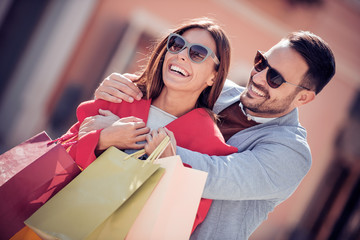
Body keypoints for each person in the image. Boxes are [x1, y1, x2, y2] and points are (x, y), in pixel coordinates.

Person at [92, 30, 336, 239]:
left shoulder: (292, 154)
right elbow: (155, 89)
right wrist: (116, 87)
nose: (258, 77)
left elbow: (215, 175)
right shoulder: (218, 89)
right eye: (262, 62)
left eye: (275, 79)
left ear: (304, 97)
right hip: (122, 223)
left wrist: (130, 132)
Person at [57, 18, 238, 233]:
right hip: (58, 222)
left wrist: (168, 166)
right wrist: (104, 139)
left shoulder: (210, 145)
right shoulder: (122, 95)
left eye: (197, 53)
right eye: (177, 44)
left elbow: (181, 225)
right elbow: (60, 154)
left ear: (214, 76)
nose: (181, 54)